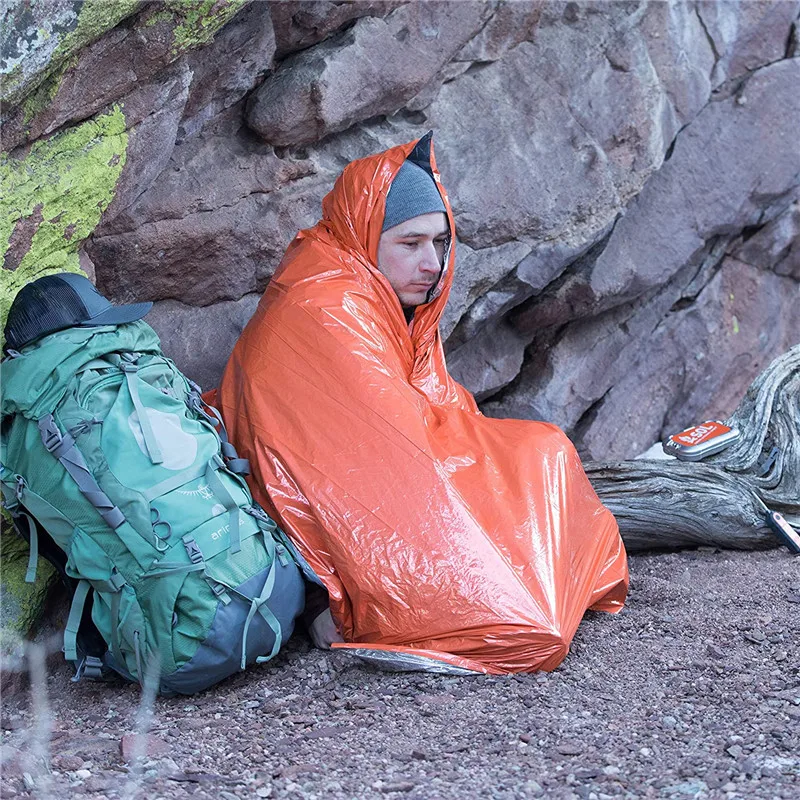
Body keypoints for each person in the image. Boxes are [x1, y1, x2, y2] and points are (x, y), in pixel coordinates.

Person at [216, 133, 628, 673]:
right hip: (326, 505)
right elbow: (392, 454)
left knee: (537, 455)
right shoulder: (326, 305)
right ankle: (356, 607)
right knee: (531, 473)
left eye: (439, 242)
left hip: (370, 470)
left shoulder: (384, 300)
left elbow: (434, 414)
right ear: (364, 235)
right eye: (410, 244)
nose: (431, 263)